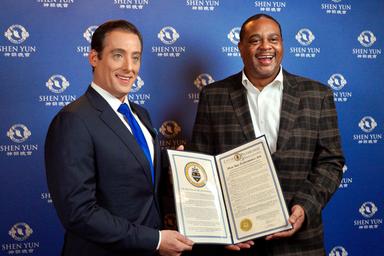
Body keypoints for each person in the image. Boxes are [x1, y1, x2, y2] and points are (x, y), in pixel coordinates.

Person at [191, 14, 345, 255]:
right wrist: (218, 228)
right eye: (255, 40)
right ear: (240, 48)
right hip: (237, 242)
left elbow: (331, 163)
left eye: (273, 39)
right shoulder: (213, 96)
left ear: (282, 45)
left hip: (301, 243)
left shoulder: (318, 95)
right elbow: (202, 166)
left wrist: (303, 207)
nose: (265, 46)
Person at [45, 20, 193, 256]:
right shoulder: (72, 120)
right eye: (118, 55)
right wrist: (153, 240)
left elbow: (138, 177)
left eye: (135, 57)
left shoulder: (140, 114)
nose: (129, 67)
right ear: (94, 58)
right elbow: (79, 212)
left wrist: (172, 169)